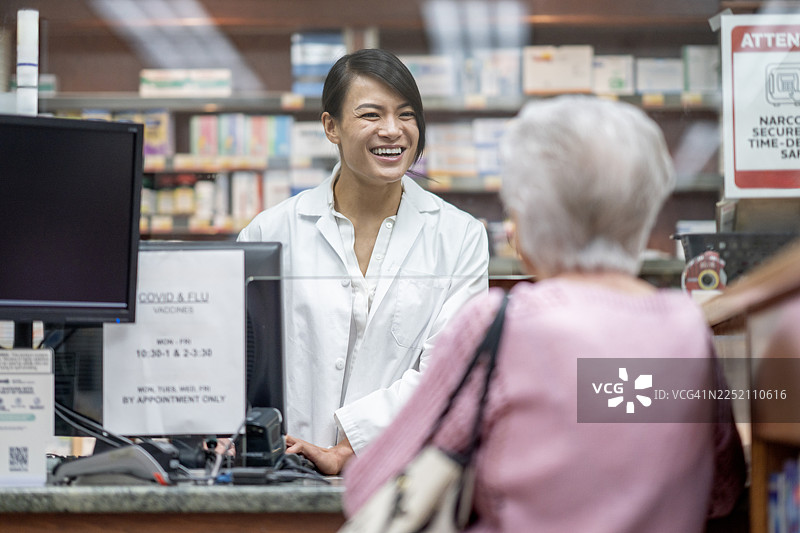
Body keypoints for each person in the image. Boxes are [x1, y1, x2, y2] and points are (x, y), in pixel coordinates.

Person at [342, 96, 746, 531]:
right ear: (645, 212)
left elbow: (372, 488)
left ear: (525, 220)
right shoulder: (687, 327)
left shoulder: (500, 326)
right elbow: (723, 491)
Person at [237, 48, 489, 474]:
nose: (393, 131)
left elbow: (449, 368)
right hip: (285, 472)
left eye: (406, 115)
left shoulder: (460, 235)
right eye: (371, 115)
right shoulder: (270, 232)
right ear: (331, 127)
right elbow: (238, 361)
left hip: (401, 474)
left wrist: (349, 445)